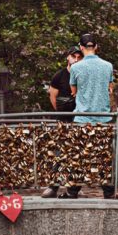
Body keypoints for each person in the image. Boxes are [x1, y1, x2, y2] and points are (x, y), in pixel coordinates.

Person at [67, 33, 118, 199]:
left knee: (79, 155)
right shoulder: (108, 66)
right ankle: (108, 192)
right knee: (104, 155)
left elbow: (73, 92)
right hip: (103, 118)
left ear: (81, 48)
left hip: (82, 118)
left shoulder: (75, 68)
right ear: (95, 47)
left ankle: (73, 191)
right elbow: (110, 88)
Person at [41, 46, 83, 198]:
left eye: (79, 57)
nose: (76, 59)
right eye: (74, 56)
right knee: (58, 154)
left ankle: (73, 187)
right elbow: (52, 96)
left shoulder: (82, 75)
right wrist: (61, 112)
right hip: (63, 121)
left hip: (79, 120)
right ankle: (53, 187)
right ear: (68, 57)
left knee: (77, 154)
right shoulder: (59, 76)